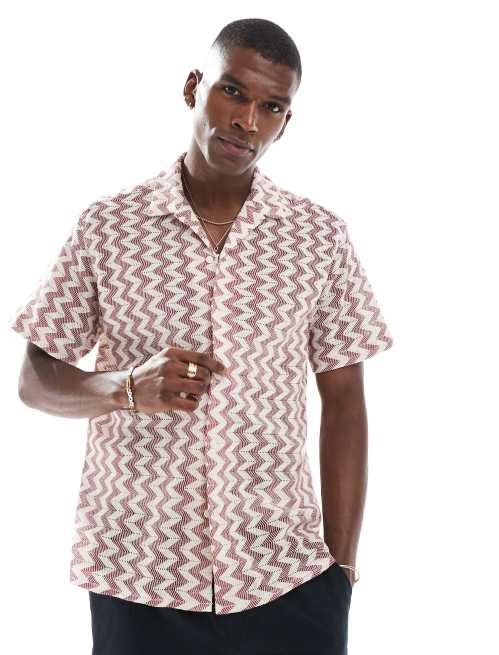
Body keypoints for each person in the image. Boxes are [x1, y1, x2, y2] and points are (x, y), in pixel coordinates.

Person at [9, 17, 393, 655]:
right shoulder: (109, 227)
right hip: (138, 571)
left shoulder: (318, 238)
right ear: (194, 87)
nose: (247, 121)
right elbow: (34, 380)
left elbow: (346, 401)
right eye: (232, 92)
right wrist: (124, 388)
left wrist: (342, 570)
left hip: (285, 574)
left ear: (285, 122)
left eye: (272, 107)